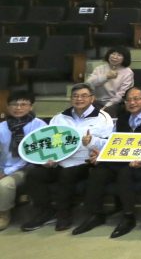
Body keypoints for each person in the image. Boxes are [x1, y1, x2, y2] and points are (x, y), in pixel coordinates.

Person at [72, 87, 141, 237]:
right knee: (99, 171)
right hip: (120, 160)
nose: (132, 102)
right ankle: (96, 214)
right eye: (128, 100)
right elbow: (113, 142)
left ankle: (128, 217)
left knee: (125, 172)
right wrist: (99, 151)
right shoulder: (122, 118)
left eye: (136, 99)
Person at [21, 84, 114, 232]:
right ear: (70, 99)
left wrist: (92, 142)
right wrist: (48, 159)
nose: (79, 99)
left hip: (85, 161)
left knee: (67, 173)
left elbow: (109, 142)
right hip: (59, 161)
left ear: (92, 98)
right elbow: (50, 142)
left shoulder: (103, 117)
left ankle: (64, 214)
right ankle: (46, 211)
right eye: (75, 96)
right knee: (34, 175)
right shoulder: (59, 117)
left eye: (84, 96)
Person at [0, 92, 46, 230]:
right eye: (14, 104)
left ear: (31, 107)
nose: (18, 108)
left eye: (23, 104)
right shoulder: (2, 127)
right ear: (8, 107)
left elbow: (32, 156)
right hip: (3, 167)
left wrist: (7, 172)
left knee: (4, 184)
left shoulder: (39, 126)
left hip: (27, 167)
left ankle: (3, 213)